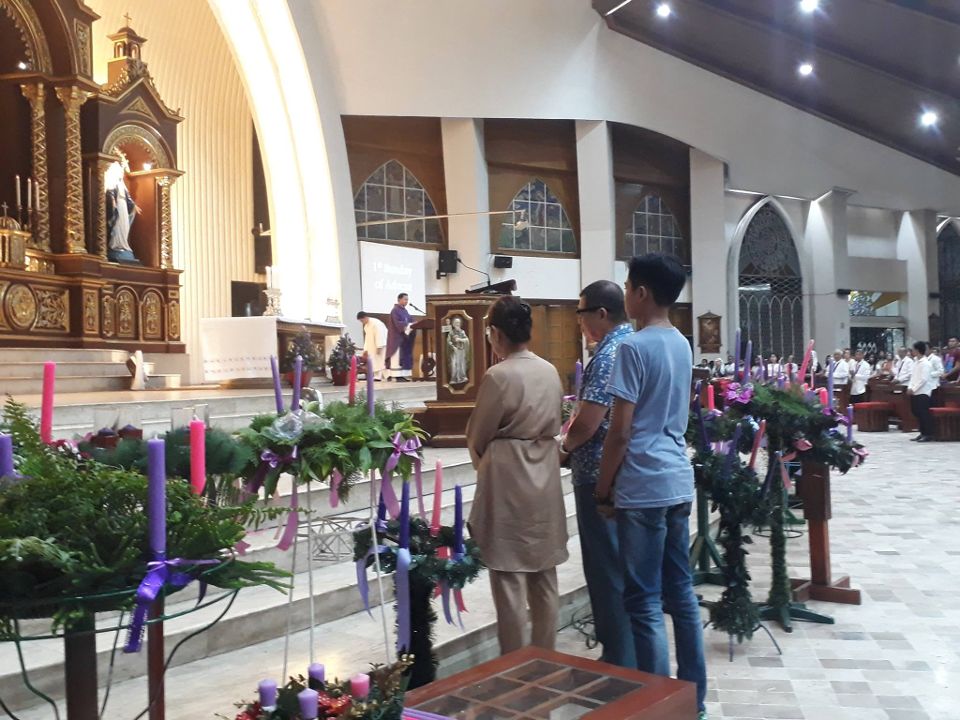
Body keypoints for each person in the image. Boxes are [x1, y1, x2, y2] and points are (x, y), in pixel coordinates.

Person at [595, 254, 707, 718]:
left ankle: (657, 707)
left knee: (642, 601)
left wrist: (603, 489)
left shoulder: (633, 347)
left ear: (641, 293)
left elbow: (620, 432)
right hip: (678, 480)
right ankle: (692, 703)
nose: (624, 293)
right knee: (681, 596)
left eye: (627, 286)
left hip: (641, 483)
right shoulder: (682, 343)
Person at [466, 295, 568, 654]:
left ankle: (514, 664)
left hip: (508, 477)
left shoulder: (499, 375)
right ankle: (545, 657)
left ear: (495, 334)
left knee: (508, 577)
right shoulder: (549, 370)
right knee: (544, 574)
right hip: (544, 470)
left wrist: (488, 466)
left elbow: (477, 436)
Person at [559, 280, 636, 668]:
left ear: (601, 315)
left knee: (606, 571)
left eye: (581, 313)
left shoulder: (609, 354)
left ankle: (618, 659)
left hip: (599, 476)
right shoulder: (629, 343)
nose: (579, 322)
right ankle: (624, 653)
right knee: (617, 566)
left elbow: (590, 422)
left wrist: (565, 446)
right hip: (623, 474)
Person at [907, 341, 935, 442]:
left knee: (923, 413)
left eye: (913, 349)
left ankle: (928, 433)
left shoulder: (926, 363)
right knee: (916, 412)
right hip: (914, 391)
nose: (912, 352)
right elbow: (913, 376)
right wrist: (910, 387)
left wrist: (913, 388)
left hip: (923, 392)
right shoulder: (915, 362)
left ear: (918, 350)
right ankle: (922, 432)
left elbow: (923, 379)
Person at [386, 293, 415, 382]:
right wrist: (406, 325)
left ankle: (403, 375)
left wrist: (414, 323)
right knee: (397, 356)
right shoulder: (395, 310)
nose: (406, 301)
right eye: (405, 299)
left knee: (404, 355)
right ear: (399, 300)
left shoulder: (405, 311)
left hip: (404, 338)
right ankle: (397, 375)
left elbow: (410, 320)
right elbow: (397, 323)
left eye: (407, 299)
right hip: (396, 338)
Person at [357, 311, 388, 380]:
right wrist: (365, 350)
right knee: (374, 361)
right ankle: (377, 376)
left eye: (362, 320)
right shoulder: (366, 326)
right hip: (372, 346)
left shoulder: (376, 323)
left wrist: (379, 346)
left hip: (379, 345)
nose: (362, 322)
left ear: (365, 317)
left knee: (380, 360)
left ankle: (381, 376)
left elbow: (380, 335)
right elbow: (367, 338)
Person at [446, 317, 471, 384]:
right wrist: (453, 347)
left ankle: (462, 377)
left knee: (461, 364)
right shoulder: (451, 332)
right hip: (454, 351)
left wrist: (460, 339)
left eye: (459, 323)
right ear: (453, 324)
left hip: (461, 350)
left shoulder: (462, 332)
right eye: (456, 323)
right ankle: (453, 378)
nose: (458, 324)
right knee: (454, 364)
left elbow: (466, 340)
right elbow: (448, 341)